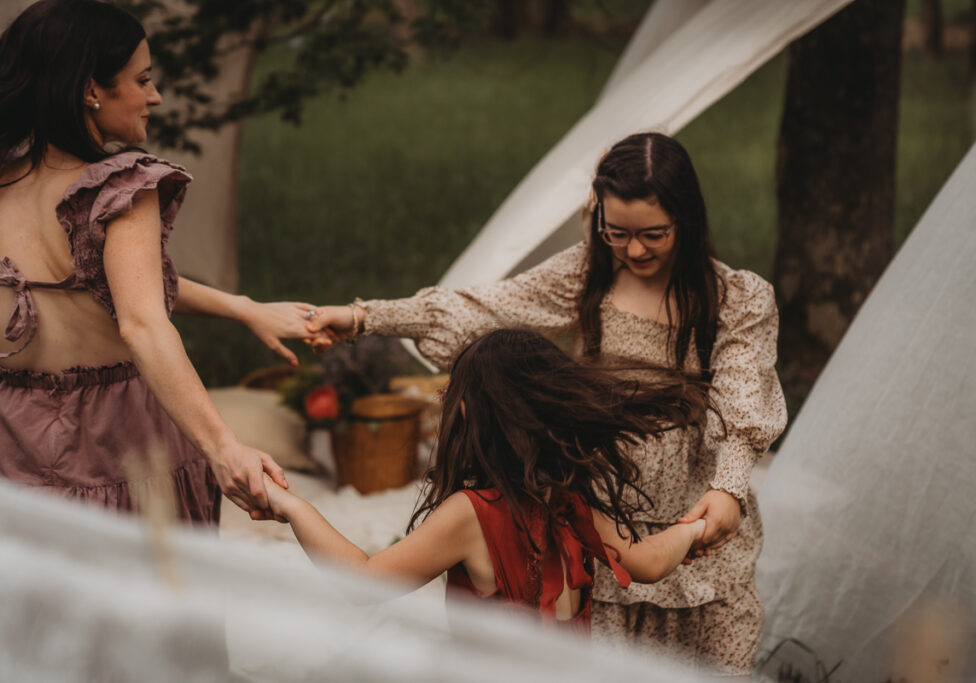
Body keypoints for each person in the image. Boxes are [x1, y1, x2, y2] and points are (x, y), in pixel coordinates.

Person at [307, 132, 787, 674]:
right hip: (608, 512)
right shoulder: (588, 275)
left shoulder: (737, 297)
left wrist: (728, 486)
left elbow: (742, 395)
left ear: (688, 220)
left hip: (700, 510)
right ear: (597, 216)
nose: (634, 250)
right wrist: (363, 319)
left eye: (654, 234)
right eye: (617, 233)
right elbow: (485, 308)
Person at [0, 0, 321, 523]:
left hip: (15, 442)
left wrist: (243, 308)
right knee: (148, 595)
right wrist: (224, 448)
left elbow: (106, 282)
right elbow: (144, 323)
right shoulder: (118, 185)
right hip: (120, 442)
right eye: (143, 79)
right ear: (91, 90)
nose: (156, 96)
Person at [263, 328, 708, 632]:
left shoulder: (473, 514)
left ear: (470, 412)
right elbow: (649, 562)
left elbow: (362, 582)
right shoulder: (571, 502)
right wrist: (697, 528)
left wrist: (292, 507)